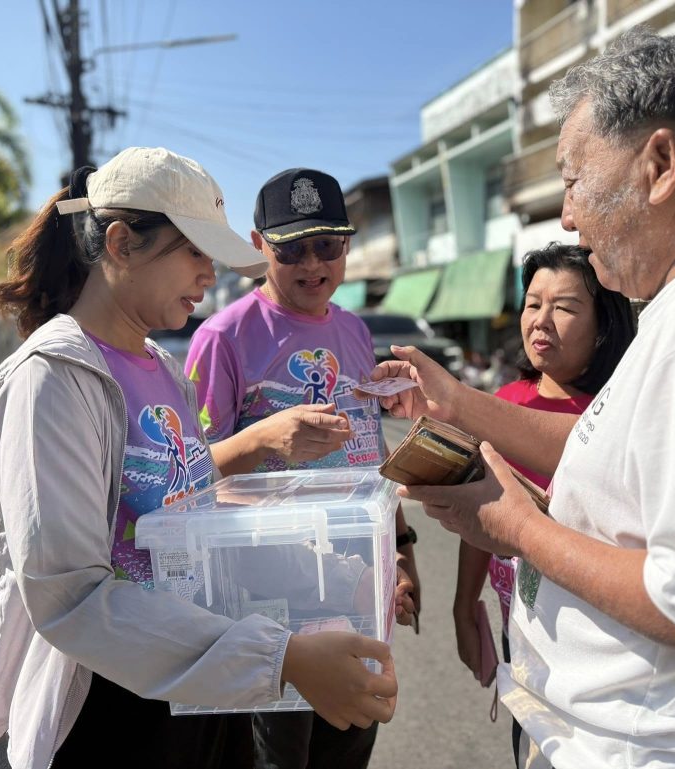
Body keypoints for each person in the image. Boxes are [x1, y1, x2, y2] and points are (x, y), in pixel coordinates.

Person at [374, 29, 675, 769]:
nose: (568, 216)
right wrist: (457, 404)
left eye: (575, 179)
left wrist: (522, 530)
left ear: (659, 165)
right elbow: (613, 452)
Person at [0, 148, 397, 769]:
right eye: (193, 251)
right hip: (114, 708)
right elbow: (69, 595)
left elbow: (200, 521)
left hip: (201, 693)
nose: (209, 275)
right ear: (121, 244)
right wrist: (280, 658)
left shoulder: (164, 370)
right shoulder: (52, 377)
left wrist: (340, 576)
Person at [184, 167, 419, 769]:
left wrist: (400, 553)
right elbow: (189, 480)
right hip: (271, 600)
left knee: (350, 744)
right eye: (292, 249)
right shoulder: (223, 337)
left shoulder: (355, 329)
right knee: (278, 757)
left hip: (358, 587)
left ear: (347, 246)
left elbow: (369, 455)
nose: (313, 264)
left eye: (328, 245)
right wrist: (264, 440)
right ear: (259, 245)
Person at [453, 242, 635, 763]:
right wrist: (464, 605)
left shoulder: (622, 412)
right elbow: (482, 513)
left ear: (603, 324)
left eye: (565, 307)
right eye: (533, 304)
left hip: (597, 648)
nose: (541, 320)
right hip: (520, 632)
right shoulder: (503, 404)